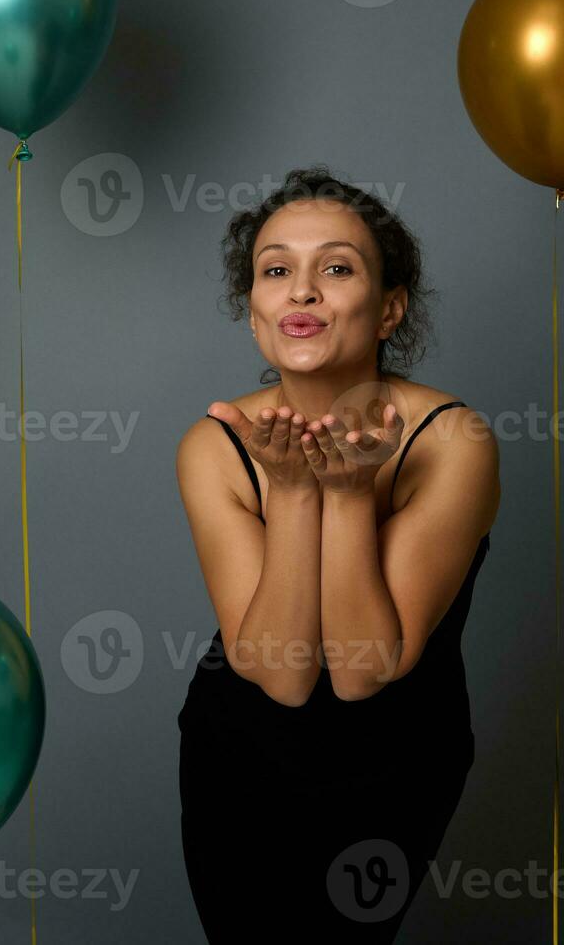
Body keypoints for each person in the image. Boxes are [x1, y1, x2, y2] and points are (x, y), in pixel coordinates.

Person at [175, 167, 500, 942]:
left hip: (392, 766)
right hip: (240, 759)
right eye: (276, 269)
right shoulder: (214, 443)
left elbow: (361, 670)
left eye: (337, 267)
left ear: (389, 308)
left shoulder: (453, 440)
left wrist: (349, 495)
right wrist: (291, 494)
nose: (302, 291)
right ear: (252, 313)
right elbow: (283, 678)